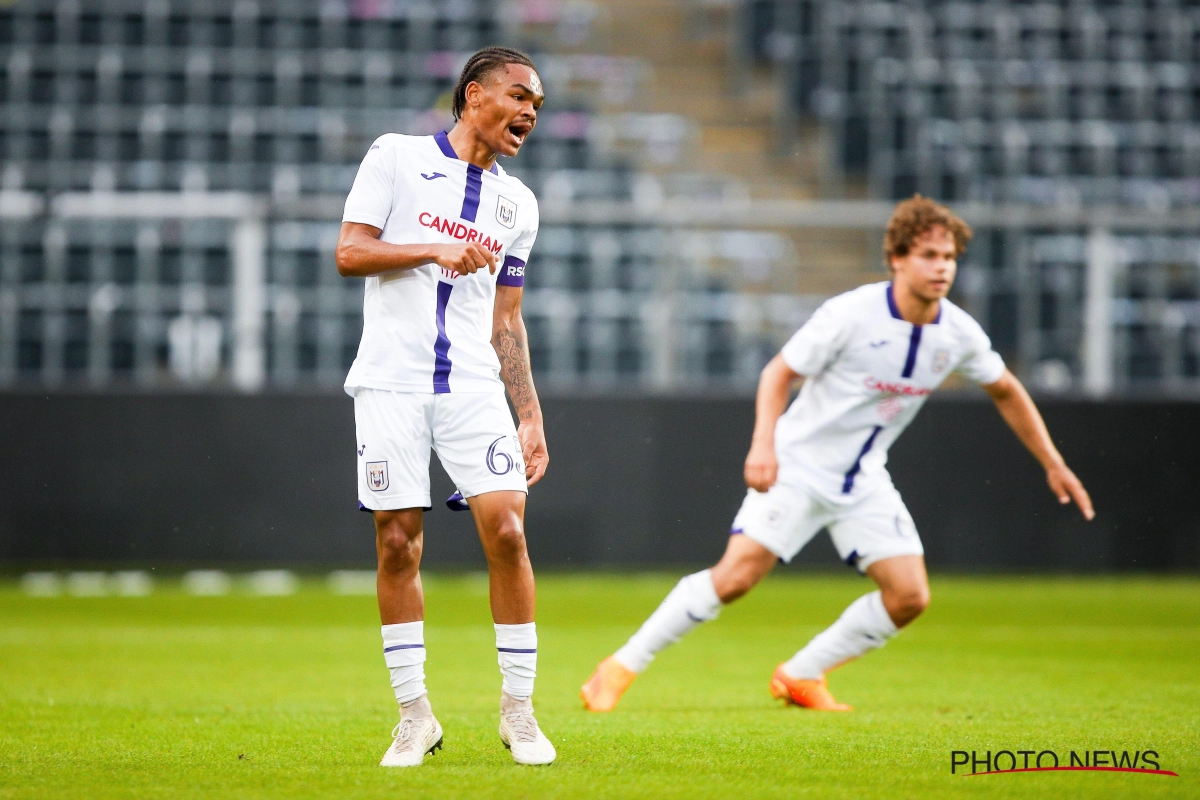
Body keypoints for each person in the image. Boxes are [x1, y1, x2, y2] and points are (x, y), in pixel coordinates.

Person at [580, 195, 1094, 713]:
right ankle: (618, 667)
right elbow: (778, 372)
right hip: (798, 467)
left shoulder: (958, 333)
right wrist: (763, 444)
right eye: (929, 255)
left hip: (864, 478)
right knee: (735, 578)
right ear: (897, 257)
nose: (942, 268)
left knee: (909, 597)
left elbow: (1005, 389)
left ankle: (802, 674)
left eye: (950, 257)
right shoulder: (850, 314)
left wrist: (1053, 462)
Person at [335, 46, 555, 766]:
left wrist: (530, 411)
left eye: (539, 104)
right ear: (472, 95)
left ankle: (519, 712)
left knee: (510, 530)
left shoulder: (518, 205)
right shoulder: (395, 157)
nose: (530, 111)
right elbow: (350, 251)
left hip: (470, 387)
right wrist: (431, 249)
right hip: (389, 382)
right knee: (398, 541)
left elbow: (507, 320)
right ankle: (414, 717)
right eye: (519, 94)